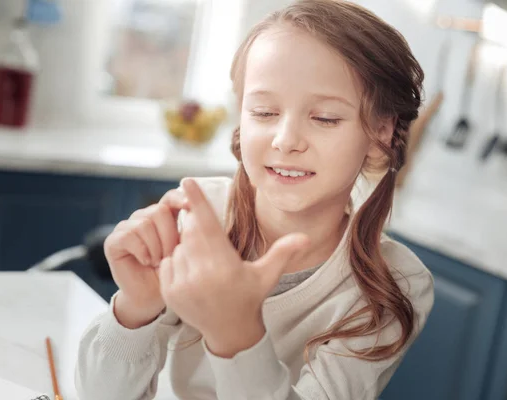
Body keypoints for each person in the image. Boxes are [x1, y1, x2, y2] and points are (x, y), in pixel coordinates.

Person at [74, 0, 434, 399]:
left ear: (380, 133)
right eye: (263, 112)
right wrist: (134, 309)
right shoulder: (198, 218)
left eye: (325, 118)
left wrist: (238, 335)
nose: (286, 141)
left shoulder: (393, 284)